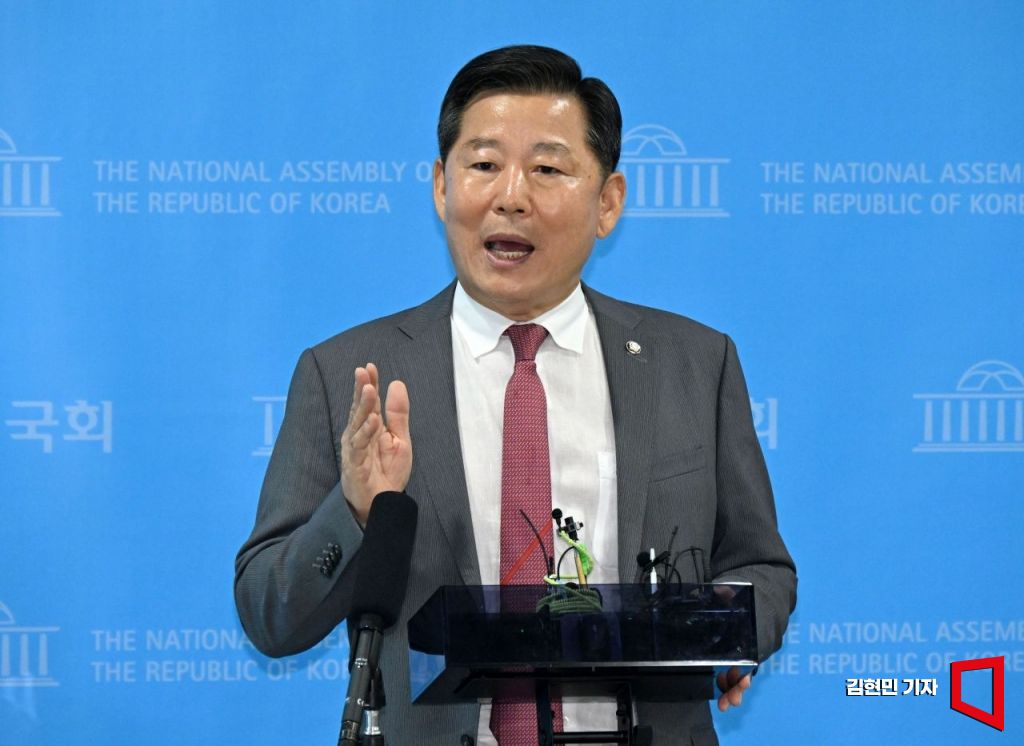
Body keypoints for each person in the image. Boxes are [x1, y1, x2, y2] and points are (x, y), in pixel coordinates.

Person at [235, 45, 796, 745]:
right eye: (483, 165)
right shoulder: (349, 373)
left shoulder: (694, 363)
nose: (510, 196)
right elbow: (271, 616)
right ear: (441, 186)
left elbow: (760, 566)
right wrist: (353, 511)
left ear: (608, 202)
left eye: (548, 169)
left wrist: (728, 631)